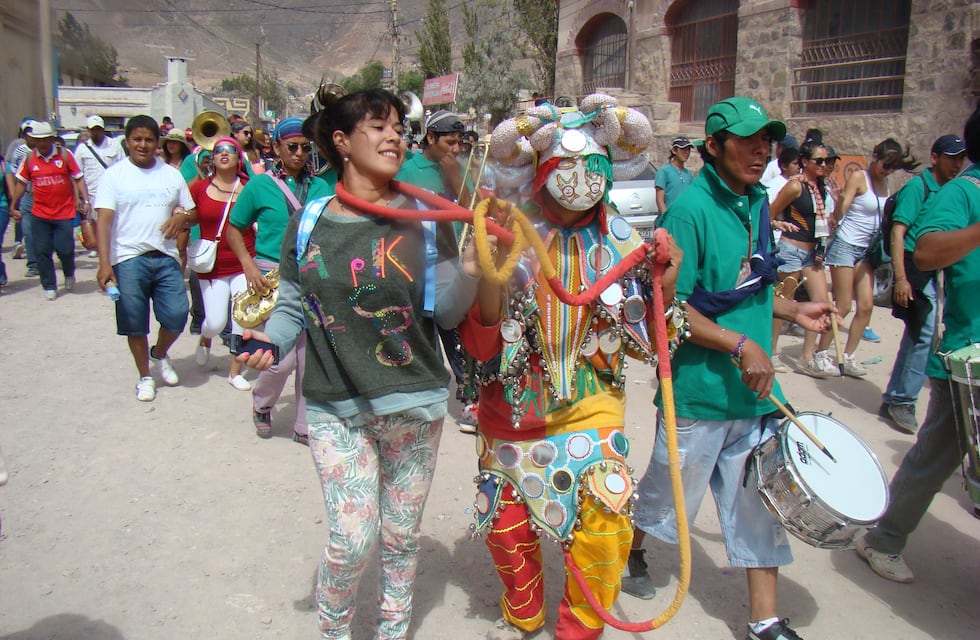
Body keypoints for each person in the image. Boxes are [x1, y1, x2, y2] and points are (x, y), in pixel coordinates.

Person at [238, 87, 480, 640]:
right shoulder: (309, 220)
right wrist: (270, 343)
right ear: (342, 142)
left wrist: (469, 269)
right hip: (334, 405)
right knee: (351, 541)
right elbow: (293, 304)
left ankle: (392, 633)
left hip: (415, 403)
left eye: (398, 125)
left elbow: (444, 311)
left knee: (400, 538)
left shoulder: (424, 213)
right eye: (378, 125)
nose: (394, 135)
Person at [465, 93, 680, 640]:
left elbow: (651, 341)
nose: (580, 180)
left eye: (592, 169)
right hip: (510, 414)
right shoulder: (504, 229)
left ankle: (579, 631)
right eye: (567, 167)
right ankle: (524, 618)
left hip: (593, 406)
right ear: (540, 171)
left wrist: (665, 281)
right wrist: (489, 269)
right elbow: (483, 345)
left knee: (606, 529)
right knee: (510, 533)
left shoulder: (625, 240)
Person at [623, 97, 835, 640]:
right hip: (700, 391)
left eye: (766, 140)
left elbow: (746, 288)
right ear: (713, 146)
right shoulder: (689, 212)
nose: (759, 150)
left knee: (756, 504)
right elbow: (671, 310)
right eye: (745, 140)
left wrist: (792, 309)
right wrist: (742, 345)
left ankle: (764, 619)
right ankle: (632, 549)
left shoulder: (757, 202)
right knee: (665, 499)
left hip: (755, 394)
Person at [856, 104, 980, 583]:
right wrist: (903, 279)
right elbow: (920, 245)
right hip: (968, 356)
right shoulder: (962, 193)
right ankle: (883, 540)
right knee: (935, 456)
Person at [226, 117, 333, 442]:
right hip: (270, 277)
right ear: (276, 148)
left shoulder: (321, 188)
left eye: (305, 147)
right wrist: (248, 264)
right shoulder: (260, 185)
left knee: (309, 358)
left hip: (311, 276)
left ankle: (303, 425)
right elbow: (234, 227)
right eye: (292, 147)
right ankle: (262, 405)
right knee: (278, 360)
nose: (300, 153)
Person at [93, 115, 198, 402]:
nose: (143, 145)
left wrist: (181, 218)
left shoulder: (171, 175)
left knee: (177, 316)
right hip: (128, 258)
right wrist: (104, 265)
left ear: (157, 143)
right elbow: (103, 222)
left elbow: (192, 213)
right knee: (135, 323)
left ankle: (160, 353)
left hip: (164, 257)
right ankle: (145, 376)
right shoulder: (114, 176)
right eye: (137, 139)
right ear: (127, 142)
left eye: (149, 139)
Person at [396, 110, 480, 430]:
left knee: (457, 331)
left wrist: (456, 179)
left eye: (460, 143)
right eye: (450, 142)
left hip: (447, 261)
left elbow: (474, 212)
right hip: (411, 265)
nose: (456, 149)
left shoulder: (458, 169)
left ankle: (471, 399)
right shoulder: (407, 171)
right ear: (430, 138)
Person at [879, 134, 967, 433]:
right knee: (925, 335)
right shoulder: (919, 187)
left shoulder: (948, 190)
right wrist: (900, 278)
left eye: (961, 158)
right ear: (935, 157)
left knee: (917, 335)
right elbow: (898, 233)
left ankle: (894, 397)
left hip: (932, 272)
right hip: (915, 270)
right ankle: (903, 400)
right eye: (951, 157)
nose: (957, 164)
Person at [812, 139, 916, 377]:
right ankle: (821, 353)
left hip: (867, 250)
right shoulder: (860, 177)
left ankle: (847, 356)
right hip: (846, 246)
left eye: (892, 167)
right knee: (843, 305)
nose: (887, 170)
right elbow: (844, 207)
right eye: (885, 165)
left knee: (866, 306)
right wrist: (838, 205)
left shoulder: (885, 183)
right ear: (874, 156)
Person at [189, 136, 254, 390]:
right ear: (212, 158)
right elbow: (185, 213)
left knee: (241, 318)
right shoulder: (198, 188)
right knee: (215, 322)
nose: (224, 154)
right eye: (218, 151)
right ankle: (206, 337)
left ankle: (234, 371)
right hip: (212, 266)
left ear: (239, 158)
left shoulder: (251, 187)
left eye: (230, 150)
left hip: (243, 261)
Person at [769, 141, 837, 377]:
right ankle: (772, 352)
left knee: (821, 304)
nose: (823, 165)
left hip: (813, 253)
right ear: (805, 162)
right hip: (790, 249)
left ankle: (806, 357)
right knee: (783, 304)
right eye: (818, 160)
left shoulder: (821, 187)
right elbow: (770, 211)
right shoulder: (795, 186)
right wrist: (777, 223)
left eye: (826, 161)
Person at [9, 121, 89, 301]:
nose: (42, 144)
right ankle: (50, 285)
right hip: (40, 213)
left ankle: (69, 273)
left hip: (64, 213)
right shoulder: (29, 159)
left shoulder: (65, 155)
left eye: (45, 140)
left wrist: (85, 199)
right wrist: (14, 204)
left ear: (52, 139)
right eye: (38, 140)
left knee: (65, 249)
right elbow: (21, 183)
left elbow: (78, 178)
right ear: (33, 141)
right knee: (42, 250)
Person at [655, 136, 695, 212]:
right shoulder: (664, 171)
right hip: (668, 220)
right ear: (674, 150)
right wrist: (666, 218)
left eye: (688, 149)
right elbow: (659, 200)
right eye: (683, 149)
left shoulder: (688, 174)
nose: (686, 152)